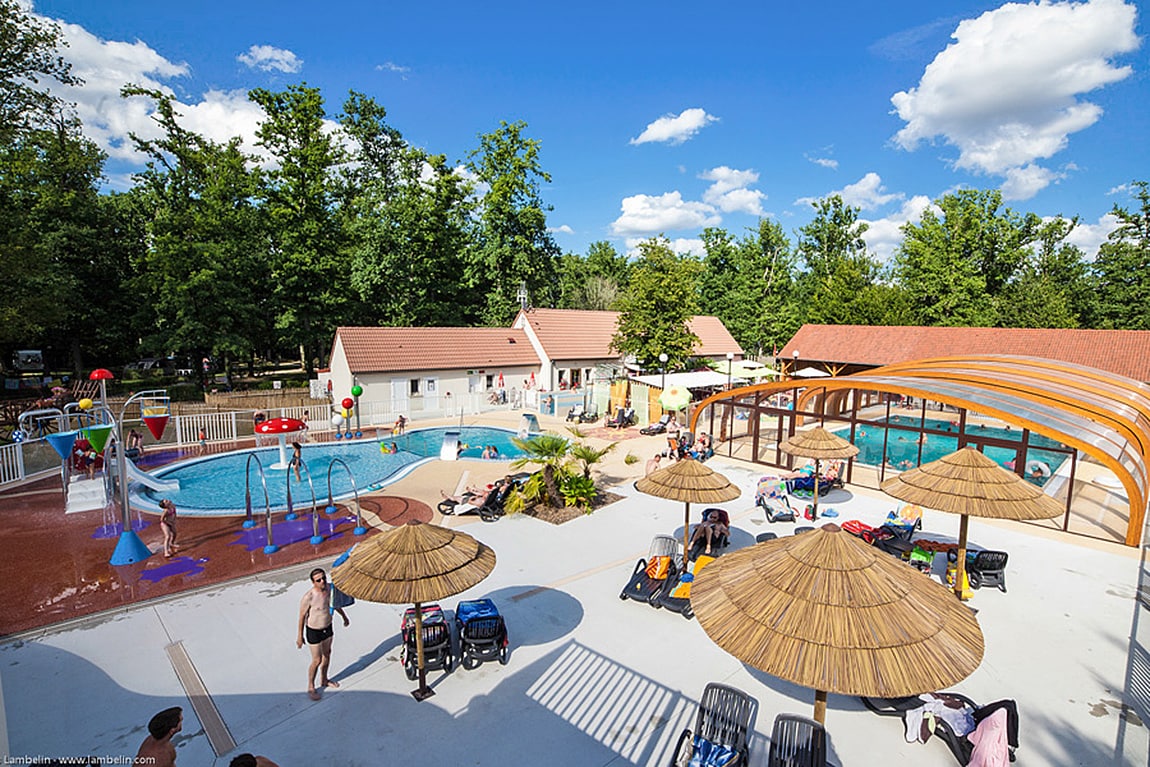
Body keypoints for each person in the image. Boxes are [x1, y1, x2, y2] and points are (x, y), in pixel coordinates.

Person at [297, 568, 349, 701]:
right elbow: (302, 616)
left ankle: (324, 679)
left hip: (327, 627)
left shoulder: (330, 590)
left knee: (327, 654)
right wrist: (300, 636)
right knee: (317, 660)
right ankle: (311, 686)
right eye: (318, 580)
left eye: (323, 578)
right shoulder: (309, 597)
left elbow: (334, 604)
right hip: (314, 631)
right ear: (313, 582)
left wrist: (344, 617)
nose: (322, 581)